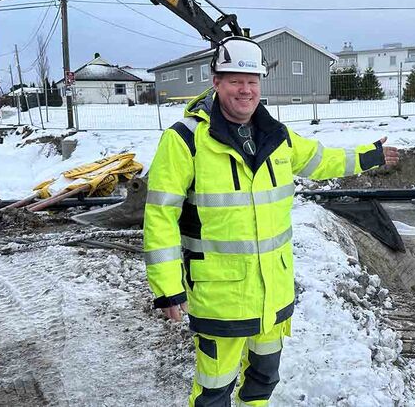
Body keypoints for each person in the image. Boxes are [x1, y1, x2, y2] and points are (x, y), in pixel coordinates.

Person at [143, 36, 399, 406]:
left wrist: (368, 156)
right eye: (234, 80)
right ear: (216, 82)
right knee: (214, 389)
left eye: (252, 81)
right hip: (220, 296)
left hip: (271, 291)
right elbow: (160, 216)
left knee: (263, 378)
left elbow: (320, 160)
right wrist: (168, 288)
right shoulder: (185, 141)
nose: (245, 90)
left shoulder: (276, 137)